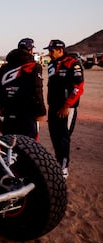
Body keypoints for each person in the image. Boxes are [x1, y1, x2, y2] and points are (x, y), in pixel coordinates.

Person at [44, 39, 85, 178]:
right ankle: (58, 162)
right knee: (54, 137)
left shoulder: (73, 63)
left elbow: (78, 88)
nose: (49, 53)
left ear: (60, 50)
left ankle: (64, 168)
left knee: (63, 138)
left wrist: (67, 105)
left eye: (51, 50)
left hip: (66, 108)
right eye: (49, 50)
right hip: (53, 107)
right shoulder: (51, 64)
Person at [0, 38, 46, 140]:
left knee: (9, 145)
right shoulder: (34, 66)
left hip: (8, 114)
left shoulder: (4, 67)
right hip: (27, 114)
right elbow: (37, 90)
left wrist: (0, 107)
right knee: (30, 147)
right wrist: (41, 111)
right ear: (31, 50)